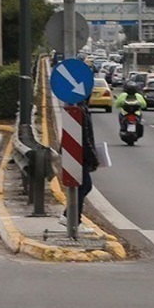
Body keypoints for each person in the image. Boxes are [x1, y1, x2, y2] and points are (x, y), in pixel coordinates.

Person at [60, 100, 99, 235]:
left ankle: (69, 216)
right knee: (83, 186)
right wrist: (93, 157)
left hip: (77, 154)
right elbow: (85, 138)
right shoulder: (79, 110)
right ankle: (73, 220)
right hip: (79, 155)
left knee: (83, 186)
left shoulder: (79, 108)